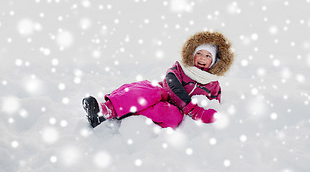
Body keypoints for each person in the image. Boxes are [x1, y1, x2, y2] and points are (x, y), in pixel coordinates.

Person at [82, 31, 234, 129]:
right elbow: (171, 82)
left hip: (178, 109)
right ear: (193, 54)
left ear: (213, 62)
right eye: (199, 53)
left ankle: (128, 116)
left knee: (172, 118)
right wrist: (191, 108)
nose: (202, 58)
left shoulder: (213, 84)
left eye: (208, 56)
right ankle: (105, 109)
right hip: (163, 92)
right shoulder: (181, 67)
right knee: (147, 93)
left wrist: (209, 115)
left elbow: (214, 104)